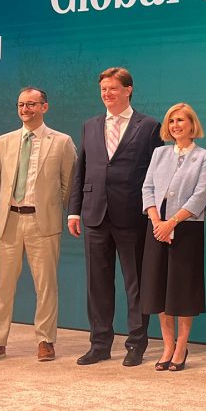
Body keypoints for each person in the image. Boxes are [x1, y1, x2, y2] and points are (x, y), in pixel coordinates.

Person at [68, 67, 163, 367]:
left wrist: (153, 211)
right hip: (95, 214)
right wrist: (74, 209)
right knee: (97, 284)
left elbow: (156, 175)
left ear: (128, 89)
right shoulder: (90, 125)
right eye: (103, 89)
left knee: (135, 284)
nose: (107, 94)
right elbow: (80, 170)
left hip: (133, 215)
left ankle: (136, 343)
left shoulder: (148, 126)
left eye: (112, 88)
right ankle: (100, 343)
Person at [0, 87, 76, 363]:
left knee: (46, 285)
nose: (25, 109)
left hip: (42, 222)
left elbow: (68, 184)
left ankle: (46, 340)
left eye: (32, 104)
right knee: (2, 286)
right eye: (21, 105)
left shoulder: (62, 142)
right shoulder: (3, 142)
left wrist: (46, 205)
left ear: (45, 107)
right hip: (9, 220)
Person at [141, 103, 206, 371]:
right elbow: (147, 187)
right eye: (171, 121)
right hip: (157, 228)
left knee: (182, 290)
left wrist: (171, 222)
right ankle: (167, 346)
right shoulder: (159, 153)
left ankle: (182, 346)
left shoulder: (204, 156)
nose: (175, 125)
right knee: (159, 288)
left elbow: (200, 194)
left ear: (192, 124)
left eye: (181, 120)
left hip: (186, 229)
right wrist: (157, 221)